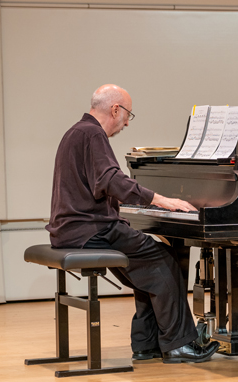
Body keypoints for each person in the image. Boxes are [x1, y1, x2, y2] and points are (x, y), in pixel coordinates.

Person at [46, 84, 220, 364]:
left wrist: (128, 208)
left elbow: (98, 187)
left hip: (74, 229)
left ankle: (146, 344)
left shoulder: (76, 132)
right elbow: (111, 180)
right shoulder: (92, 133)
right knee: (164, 259)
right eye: (127, 114)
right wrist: (160, 200)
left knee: (147, 269)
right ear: (115, 109)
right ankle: (179, 345)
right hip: (91, 230)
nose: (127, 122)